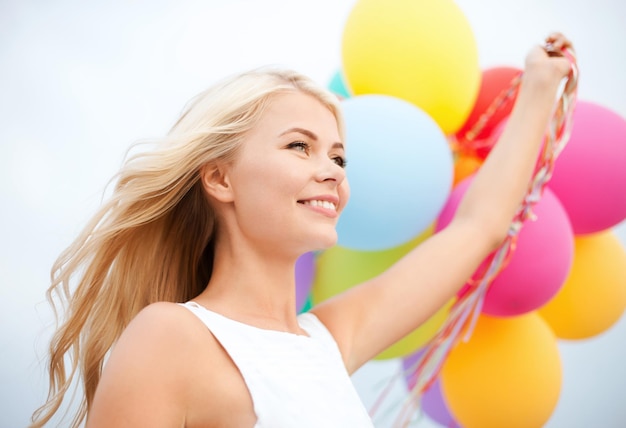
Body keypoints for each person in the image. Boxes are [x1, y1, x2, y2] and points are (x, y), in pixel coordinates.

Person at [31, 33, 574, 428]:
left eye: (340, 157)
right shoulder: (168, 336)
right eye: (299, 146)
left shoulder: (329, 343)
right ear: (220, 178)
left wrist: (540, 88)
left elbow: (476, 228)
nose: (332, 171)